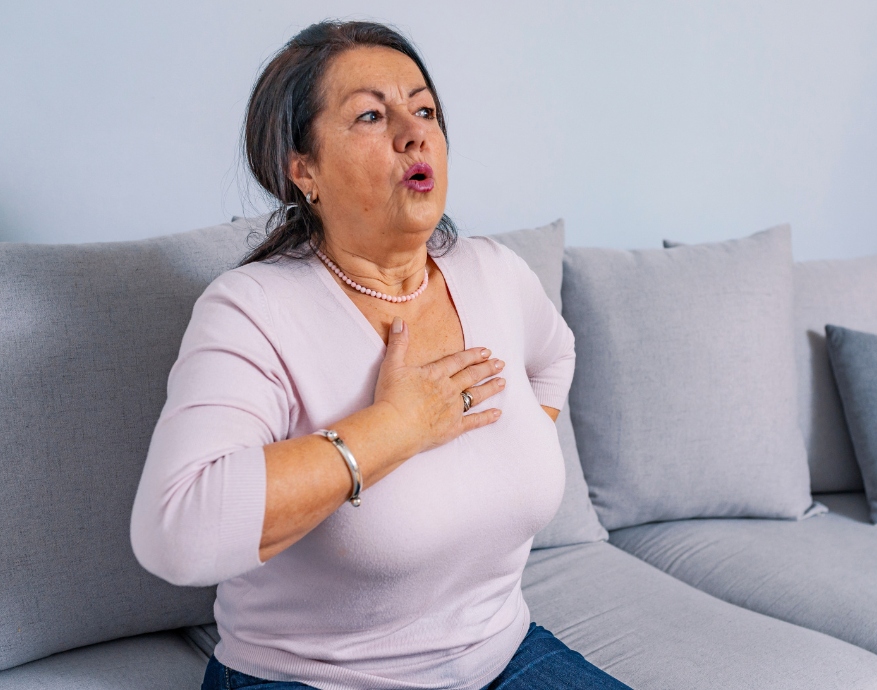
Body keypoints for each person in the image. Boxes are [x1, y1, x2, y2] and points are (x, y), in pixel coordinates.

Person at [130, 20, 632, 690]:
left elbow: (556, 354)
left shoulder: (496, 274)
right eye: (371, 114)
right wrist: (395, 429)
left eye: (424, 109)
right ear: (302, 167)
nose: (413, 131)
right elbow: (177, 531)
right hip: (309, 680)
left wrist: (505, 451)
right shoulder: (252, 308)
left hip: (505, 653)